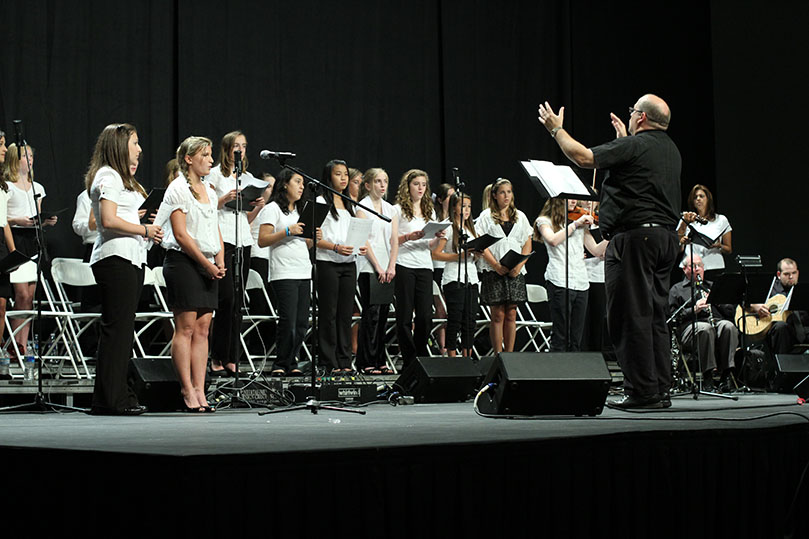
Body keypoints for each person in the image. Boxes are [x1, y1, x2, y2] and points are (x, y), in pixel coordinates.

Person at [539, 94, 681, 409]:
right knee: (655, 315)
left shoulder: (636, 144)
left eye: (633, 112)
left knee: (629, 316)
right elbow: (639, 175)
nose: (630, 116)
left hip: (634, 241)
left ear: (641, 117)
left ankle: (642, 392)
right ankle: (659, 389)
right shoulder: (669, 149)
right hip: (665, 240)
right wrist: (623, 143)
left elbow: (583, 157)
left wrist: (555, 130)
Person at [85, 123, 162, 415]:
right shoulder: (108, 175)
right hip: (114, 258)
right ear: (119, 146)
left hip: (129, 259)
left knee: (121, 331)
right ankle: (112, 400)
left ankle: (114, 396)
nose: (140, 148)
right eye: (135, 142)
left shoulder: (121, 180)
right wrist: (143, 228)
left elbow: (120, 214)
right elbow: (107, 219)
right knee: (117, 331)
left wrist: (142, 221)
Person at [158, 136, 224, 412]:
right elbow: (182, 235)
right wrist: (205, 264)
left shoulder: (210, 189)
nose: (211, 159)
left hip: (208, 262)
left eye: (210, 155)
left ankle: (200, 387)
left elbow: (214, 229)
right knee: (185, 328)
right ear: (188, 159)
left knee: (203, 329)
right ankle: (186, 389)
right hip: (184, 262)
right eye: (205, 155)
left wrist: (219, 259)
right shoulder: (177, 189)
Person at [205, 131, 266, 376]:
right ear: (227, 149)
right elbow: (207, 207)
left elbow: (245, 218)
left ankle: (232, 357)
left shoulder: (248, 177)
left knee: (238, 301)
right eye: (236, 146)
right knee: (226, 298)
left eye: (244, 145)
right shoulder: (215, 174)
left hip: (243, 238)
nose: (240, 150)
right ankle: (217, 356)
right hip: (223, 238)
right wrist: (223, 199)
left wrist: (257, 208)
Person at [257, 168, 316, 376]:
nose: (301, 187)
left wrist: (313, 235)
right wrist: (287, 231)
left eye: (303, 183)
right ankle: (280, 363)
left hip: (303, 270)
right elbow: (263, 240)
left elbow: (307, 244)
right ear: (284, 184)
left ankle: (292, 362)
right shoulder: (272, 208)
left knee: (301, 323)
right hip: (283, 271)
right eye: (297, 182)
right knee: (288, 320)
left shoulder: (302, 210)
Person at [3, 143, 58, 352]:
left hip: (32, 240)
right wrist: (19, 220)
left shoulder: (38, 188)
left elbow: (35, 217)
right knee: (22, 295)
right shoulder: (6, 185)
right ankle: (13, 343)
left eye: (32, 155)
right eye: (25, 156)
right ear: (15, 160)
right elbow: (3, 218)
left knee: (30, 298)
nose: (30, 159)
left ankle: (22, 345)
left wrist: (44, 222)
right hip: (14, 239)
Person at [534, 197, 606, 352]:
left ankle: (575, 373)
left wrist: (611, 235)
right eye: (570, 198)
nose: (574, 201)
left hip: (581, 282)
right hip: (559, 279)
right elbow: (553, 240)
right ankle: (558, 373)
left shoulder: (580, 223)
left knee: (576, 338)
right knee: (561, 335)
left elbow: (596, 251)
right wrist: (576, 224)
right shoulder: (545, 220)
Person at [316, 159, 366, 374]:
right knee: (329, 313)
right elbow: (312, 237)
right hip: (328, 262)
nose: (344, 178)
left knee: (346, 314)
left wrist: (359, 247)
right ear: (329, 177)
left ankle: (344, 361)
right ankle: (328, 361)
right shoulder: (320, 200)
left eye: (346, 174)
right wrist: (335, 247)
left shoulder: (350, 203)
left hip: (349, 263)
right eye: (338, 174)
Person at [394, 169, 444, 368]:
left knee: (424, 315)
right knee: (405, 315)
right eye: (416, 184)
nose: (421, 188)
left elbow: (429, 245)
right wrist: (408, 237)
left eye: (424, 184)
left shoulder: (429, 210)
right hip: (404, 264)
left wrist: (436, 238)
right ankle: (409, 360)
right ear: (408, 186)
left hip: (424, 265)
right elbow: (390, 240)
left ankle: (421, 354)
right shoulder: (397, 210)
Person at [477, 178, 533, 354]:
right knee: (498, 313)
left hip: (515, 270)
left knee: (511, 313)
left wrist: (519, 265)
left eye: (509, 192)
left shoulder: (520, 216)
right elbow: (481, 243)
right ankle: (498, 355)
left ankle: (510, 355)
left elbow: (527, 242)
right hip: (494, 269)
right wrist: (495, 265)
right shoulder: (486, 216)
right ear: (494, 195)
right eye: (502, 192)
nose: (506, 196)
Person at [668, 254, 738, 390]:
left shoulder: (712, 286)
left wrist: (715, 299)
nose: (697, 269)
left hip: (715, 323)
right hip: (689, 329)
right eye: (693, 266)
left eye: (700, 266)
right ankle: (708, 377)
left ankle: (726, 375)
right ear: (684, 269)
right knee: (705, 329)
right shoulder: (677, 289)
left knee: (728, 326)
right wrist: (694, 309)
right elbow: (673, 317)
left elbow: (730, 312)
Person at [356, 168, 398, 375]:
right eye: (378, 181)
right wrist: (378, 267)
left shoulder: (391, 209)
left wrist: (391, 265)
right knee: (371, 315)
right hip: (368, 266)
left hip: (387, 267)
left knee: (383, 315)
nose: (382, 185)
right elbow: (364, 239)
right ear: (368, 185)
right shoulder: (362, 207)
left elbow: (394, 240)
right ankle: (366, 361)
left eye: (385, 181)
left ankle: (380, 359)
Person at [431, 193, 483, 357]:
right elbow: (436, 254)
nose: (466, 210)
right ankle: (452, 357)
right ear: (454, 207)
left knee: (470, 319)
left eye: (468, 206)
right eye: (462, 206)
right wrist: (456, 257)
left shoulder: (471, 229)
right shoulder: (448, 227)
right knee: (455, 318)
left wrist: (477, 253)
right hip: (454, 276)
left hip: (472, 277)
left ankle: (467, 355)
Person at [749, 258, 808, 355]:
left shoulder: (803, 291)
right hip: (777, 332)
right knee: (781, 327)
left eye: (794, 273)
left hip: (801, 331)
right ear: (779, 275)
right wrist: (754, 306)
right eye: (786, 274)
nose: (791, 277)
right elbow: (747, 300)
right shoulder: (770, 288)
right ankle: (781, 368)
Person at [677, 184, 732, 280]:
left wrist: (719, 246)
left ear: (708, 199)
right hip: (691, 267)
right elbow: (678, 248)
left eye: (701, 196)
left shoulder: (721, 220)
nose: (698, 199)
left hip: (714, 266)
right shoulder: (686, 219)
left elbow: (729, 249)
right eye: (695, 197)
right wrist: (683, 233)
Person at [0, 131, 16, 351]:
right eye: (1, 144)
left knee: (2, 303)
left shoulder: (2, 185)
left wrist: (13, 252)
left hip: (0, 245)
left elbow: (3, 222)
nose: (4, 149)